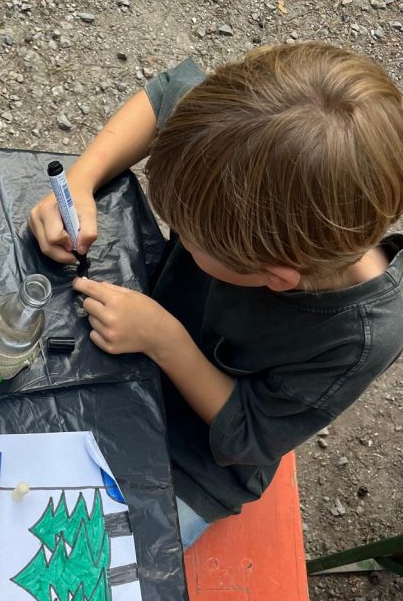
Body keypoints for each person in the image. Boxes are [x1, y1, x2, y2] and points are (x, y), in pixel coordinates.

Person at [29, 42, 403, 549]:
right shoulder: (243, 138)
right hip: (144, 328)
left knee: (95, 554)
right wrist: (80, 181)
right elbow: (163, 96)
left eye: (189, 235)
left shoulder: (361, 337)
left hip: (198, 457)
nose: (179, 233)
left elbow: (248, 436)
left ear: (276, 278)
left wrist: (165, 341)